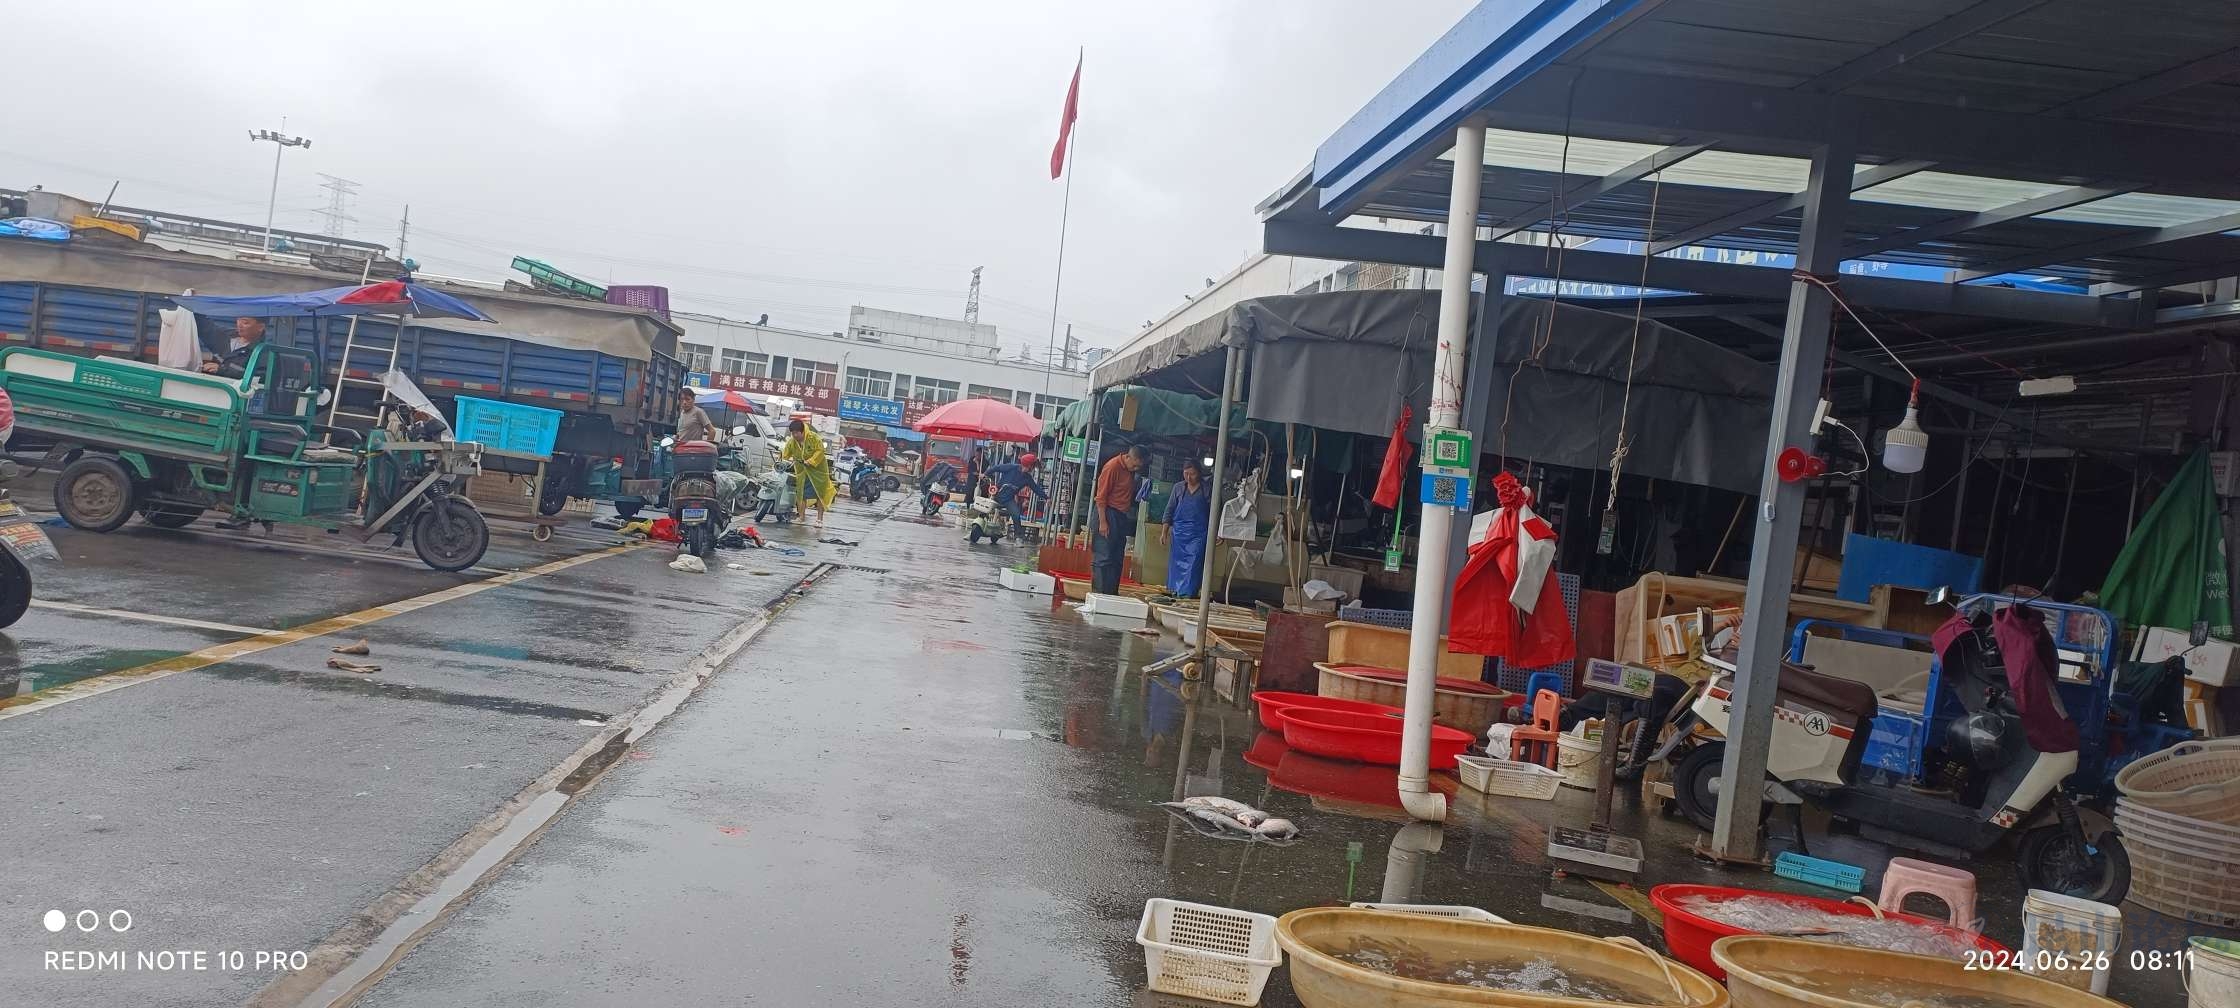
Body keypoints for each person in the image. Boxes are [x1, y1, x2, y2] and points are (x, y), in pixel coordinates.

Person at [1091, 445, 1147, 595]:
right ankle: (1099, 594)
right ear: (1128, 457)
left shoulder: (1130, 471)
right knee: (1103, 556)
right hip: (1107, 512)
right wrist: (1103, 522)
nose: (1135, 469)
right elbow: (1101, 497)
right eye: (1134, 465)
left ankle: (1111, 594)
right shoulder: (1112, 467)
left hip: (1121, 515)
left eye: (1138, 467)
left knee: (1116, 557)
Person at [1160, 460, 1212, 597]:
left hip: (1198, 534)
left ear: (1199, 473)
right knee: (1175, 565)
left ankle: (1188, 594)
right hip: (1179, 535)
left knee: (1194, 565)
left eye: (1192, 474)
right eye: (1186, 474)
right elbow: (1169, 510)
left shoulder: (1207, 489)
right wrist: (1164, 532)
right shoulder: (1178, 488)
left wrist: (1217, 533)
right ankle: (1175, 591)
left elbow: (1216, 512)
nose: (1189, 477)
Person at [781, 419, 836, 530]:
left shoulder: (814, 438)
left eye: (797, 433)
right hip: (802, 472)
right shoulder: (792, 442)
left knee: (820, 495)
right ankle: (801, 517)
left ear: (802, 431)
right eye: (793, 433)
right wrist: (782, 460)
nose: (795, 435)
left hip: (818, 472)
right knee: (801, 494)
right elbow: (785, 453)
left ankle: (819, 519)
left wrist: (810, 461)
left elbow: (820, 451)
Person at [982, 453, 1047, 541]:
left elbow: (1036, 488)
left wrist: (1046, 498)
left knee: (1016, 514)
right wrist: (985, 474)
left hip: (1008, 500)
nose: (1032, 469)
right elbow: (996, 468)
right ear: (1029, 465)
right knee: (984, 508)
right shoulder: (1011, 467)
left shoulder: (1027, 478)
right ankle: (976, 527)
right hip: (996, 494)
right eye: (1032, 466)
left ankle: (1018, 537)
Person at [200, 317, 266, 379]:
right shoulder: (224, 335)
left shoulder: (264, 353)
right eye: (238, 320)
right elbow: (203, 325)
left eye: (245, 322)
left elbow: (260, 377)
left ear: (260, 327)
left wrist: (223, 370)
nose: (239, 325)